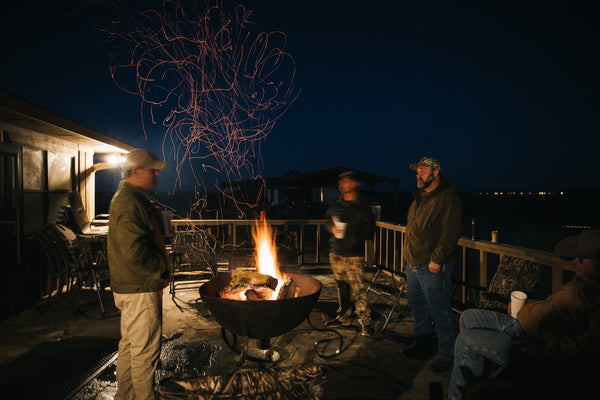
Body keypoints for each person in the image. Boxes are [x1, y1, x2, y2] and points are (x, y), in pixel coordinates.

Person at [447, 229, 600, 400]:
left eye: (583, 258)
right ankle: (477, 380)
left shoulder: (595, 296)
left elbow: (590, 345)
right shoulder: (582, 280)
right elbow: (550, 305)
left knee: (465, 340)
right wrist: (528, 304)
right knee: (468, 317)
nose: (576, 261)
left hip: (527, 339)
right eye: (576, 256)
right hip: (517, 320)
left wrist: (545, 346)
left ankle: (456, 396)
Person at [108, 149, 170, 400]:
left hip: (131, 286)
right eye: (152, 169)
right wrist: (160, 269)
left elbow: (137, 240)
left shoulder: (131, 198)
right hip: (140, 287)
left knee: (130, 347)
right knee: (145, 354)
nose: (157, 173)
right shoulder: (129, 201)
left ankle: (125, 396)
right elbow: (134, 251)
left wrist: (159, 237)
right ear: (136, 172)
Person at [403, 157, 462, 373]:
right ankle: (423, 345)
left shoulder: (447, 197)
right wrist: (408, 258)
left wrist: (437, 259)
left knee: (440, 310)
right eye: (417, 171)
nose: (418, 174)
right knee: (418, 306)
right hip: (414, 263)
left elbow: (450, 231)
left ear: (436, 172)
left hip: (433, 265)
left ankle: (448, 355)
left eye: (422, 170)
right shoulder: (419, 198)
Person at [326, 171, 376, 336]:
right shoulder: (336, 203)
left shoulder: (362, 205)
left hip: (354, 256)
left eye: (346, 181)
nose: (342, 184)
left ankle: (365, 323)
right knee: (341, 287)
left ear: (356, 184)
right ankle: (344, 314)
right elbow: (328, 221)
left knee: (358, 290)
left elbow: (370, 229)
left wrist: (354, 239)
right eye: (340, 182)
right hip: (336, 253)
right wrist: (331, 227)